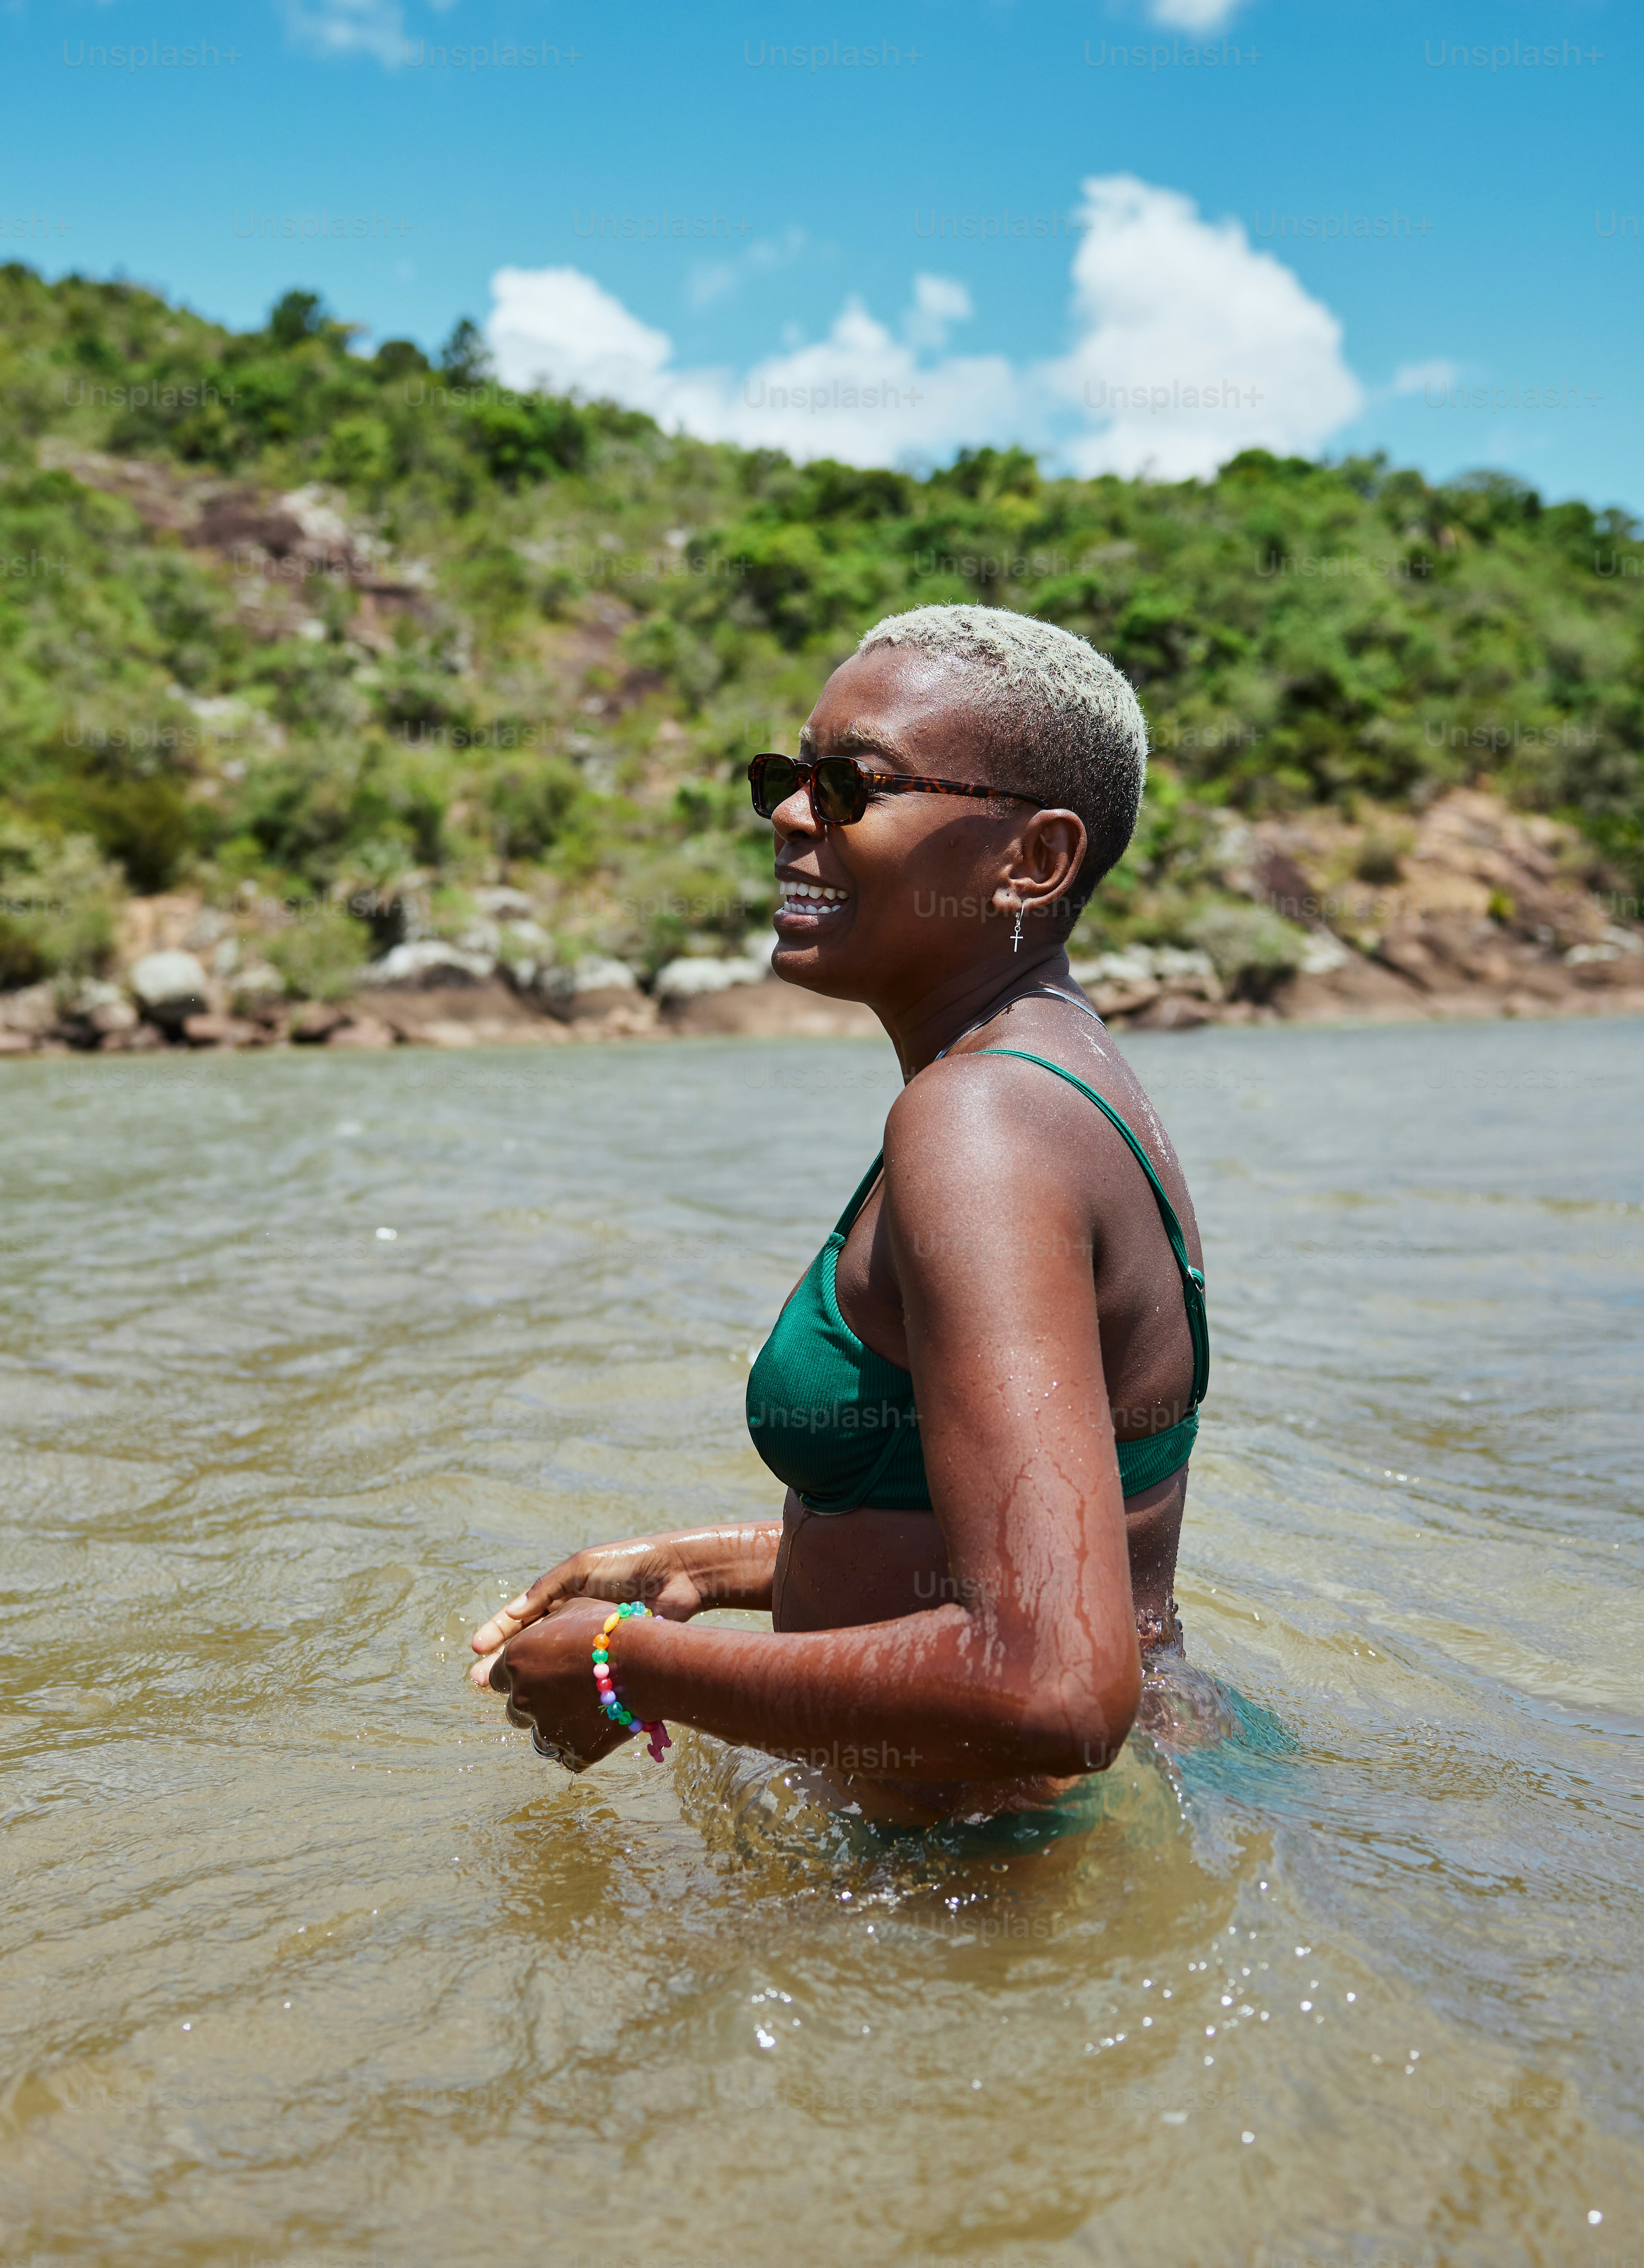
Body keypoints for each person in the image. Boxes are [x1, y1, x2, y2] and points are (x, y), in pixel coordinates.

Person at [468, 605, 1225, 1825]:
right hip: (1056, 1849)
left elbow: (1057, 1687)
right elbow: (985, 1541)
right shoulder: (1056, 1081)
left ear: (1031, 861)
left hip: (983, 1899)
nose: (787, 815)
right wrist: (712, 1569)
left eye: (849, 786)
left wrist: (627, 1665)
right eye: (788, 778)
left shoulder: (981, 1128)